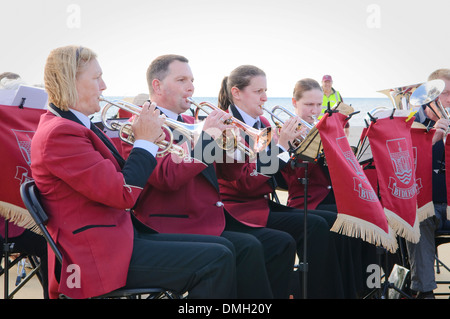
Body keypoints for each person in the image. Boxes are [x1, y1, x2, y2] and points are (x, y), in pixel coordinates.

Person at [30, 45, 238, 299]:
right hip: (95, 255)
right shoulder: (60, 133)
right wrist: (145, 142)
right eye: (96, 78)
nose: (104, 86)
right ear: (69, 81)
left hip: (119, 236)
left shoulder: (75, 125)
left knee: (224, 248)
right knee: (216, 260)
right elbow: (124, 194)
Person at [129, 54, 296, 299]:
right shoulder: (143, 125)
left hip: (218, 216)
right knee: (251, 246)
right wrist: (277, 149)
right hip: (185, 221)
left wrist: (233, 148)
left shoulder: (260, 124)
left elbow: (234, 174)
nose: (191, 87)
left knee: (281, 243)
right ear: (157, 85)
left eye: (192, 80)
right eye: (182, 80)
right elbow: (168, 178)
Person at [217, 65, 346, 298]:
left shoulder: (263, 123)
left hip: (260, 204)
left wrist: (299, 149)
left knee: (327, 223)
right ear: (236, 93)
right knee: (314, 226)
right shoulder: (226, 127)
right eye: (258, 92)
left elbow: (275, 178)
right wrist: (282, 148)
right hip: (237, 210)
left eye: (265, 90)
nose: (265, 97)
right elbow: (244, 183)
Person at [405, 68, 450, 299]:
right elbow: (402, 173)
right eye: (445, 93)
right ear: (429, 95)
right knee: (417, 217)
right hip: (425, 205)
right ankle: (425, 293)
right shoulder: (408, 126)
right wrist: (432, 143)